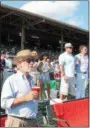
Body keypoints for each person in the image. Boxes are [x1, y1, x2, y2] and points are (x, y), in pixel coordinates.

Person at [1, 49, 39, 127]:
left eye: (33, 60)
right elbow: (4, 103)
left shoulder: (32, 79)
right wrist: (25, 98)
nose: (32, 63)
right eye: (29, 60)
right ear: (20, 63)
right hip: (17, 122)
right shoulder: (12, 80)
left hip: (32, 121)